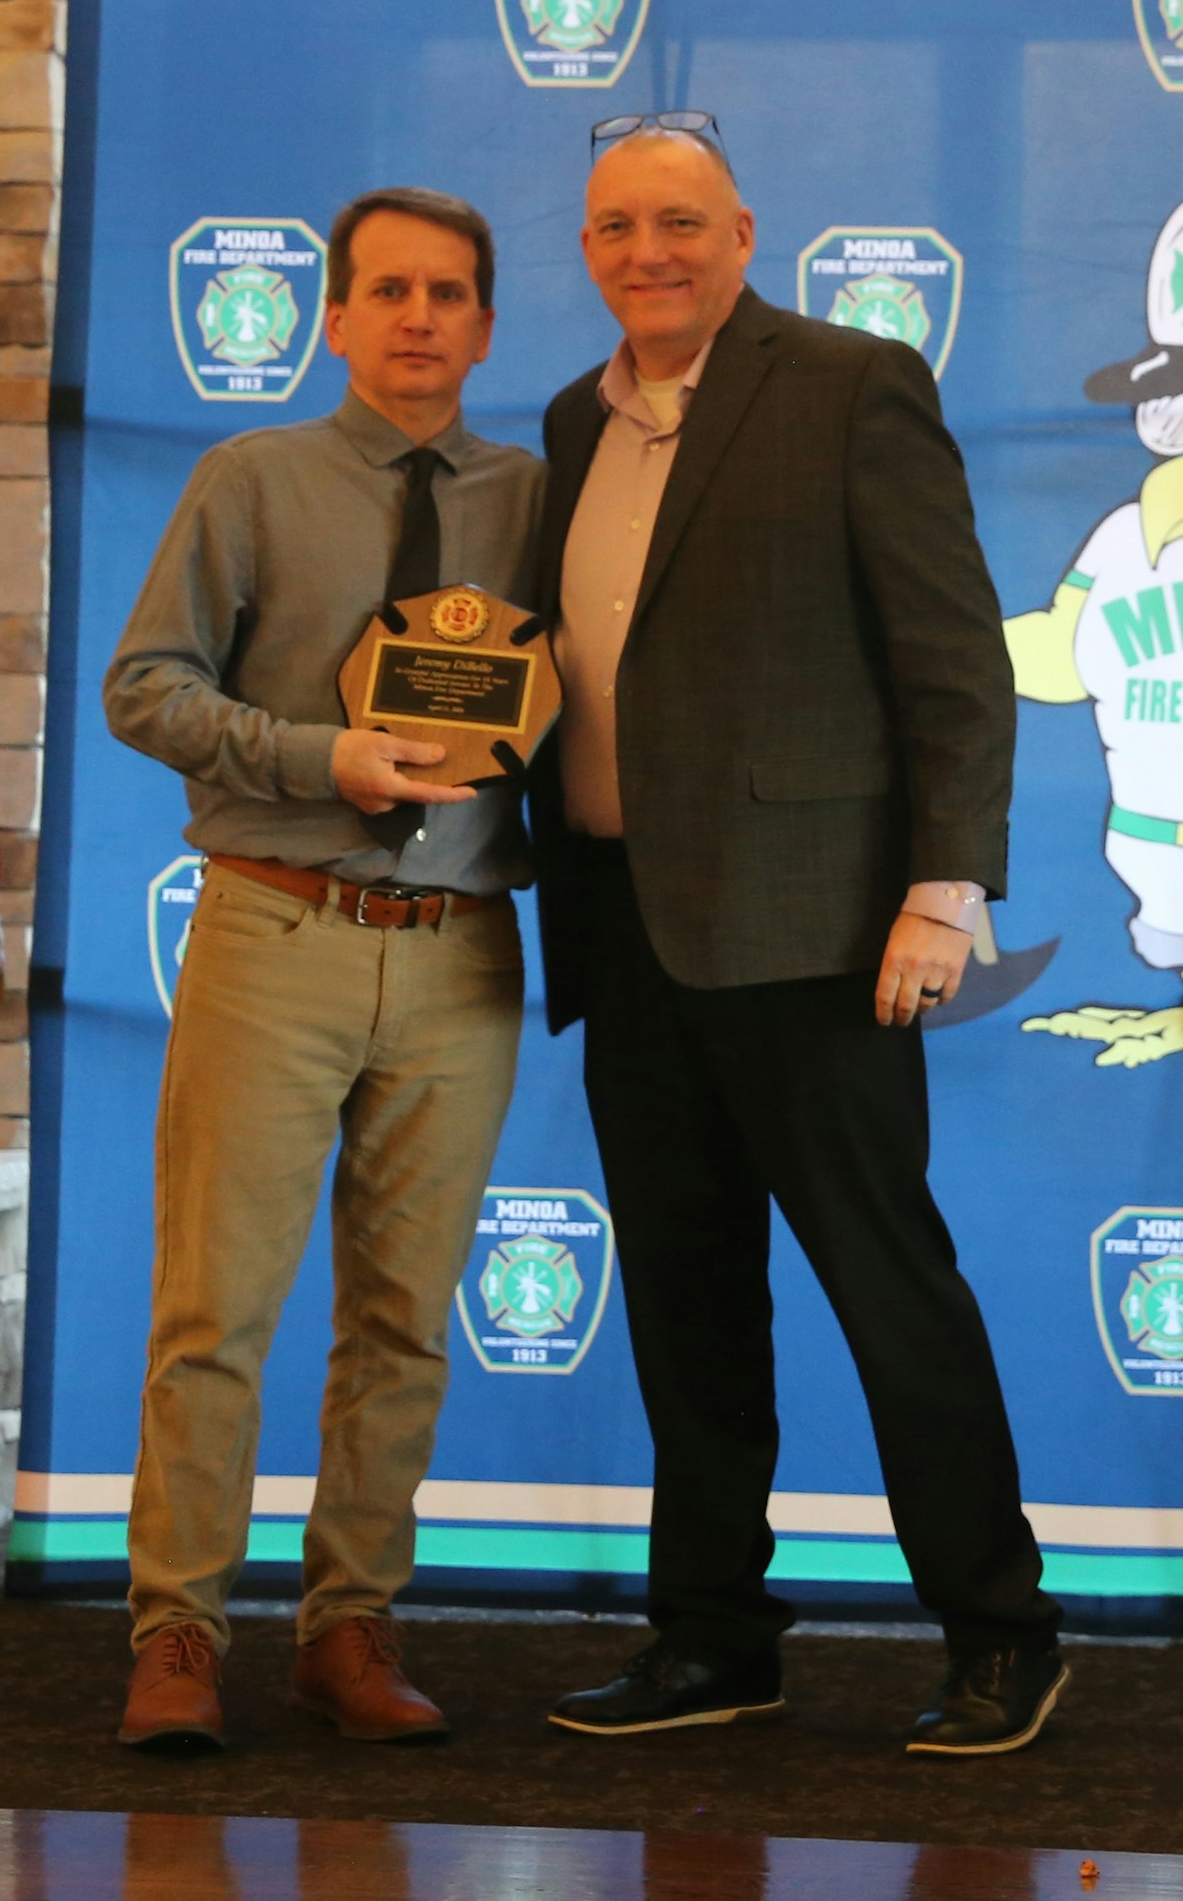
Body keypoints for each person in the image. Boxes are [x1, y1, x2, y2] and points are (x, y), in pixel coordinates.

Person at [528, 116, 1064, 1756]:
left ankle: (1000, 1635)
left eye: (678, 221)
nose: (647, 252)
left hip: (819, 937)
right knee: (686, 1310)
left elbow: (952, 660)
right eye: (616, 226)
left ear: (743, 233)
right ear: (587, 250)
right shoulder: (570, 420)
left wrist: (943, 885)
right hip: (625, 931)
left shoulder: (849, 384)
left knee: (890, 1293)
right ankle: (712, 1639)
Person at [104, 186, 542, 1751]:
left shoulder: (538, 500)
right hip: (275, 927)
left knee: (406, 1319)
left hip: (460, 954)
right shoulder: (252, 478)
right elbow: (144, 686)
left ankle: (349, 1627)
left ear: (484, 326)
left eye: (448, 293)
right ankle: (176, 1633)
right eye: (389, 291)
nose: (419, 317)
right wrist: (321, 756)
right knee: (214, 1312)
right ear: (336, 317)